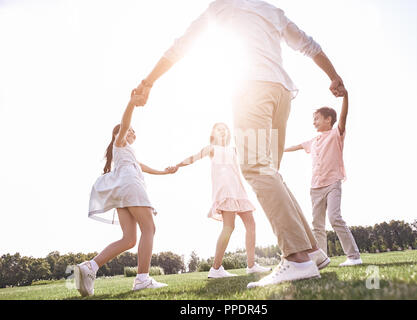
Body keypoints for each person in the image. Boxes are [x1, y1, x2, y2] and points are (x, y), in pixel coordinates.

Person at [135, 0, 346, 288]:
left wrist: (148, 81)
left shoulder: (221, 7)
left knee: (256, 168)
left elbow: (181, 46)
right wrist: (333, 76)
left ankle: (297, 259)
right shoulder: (270, 10)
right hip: (281, 93)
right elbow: (308, 45)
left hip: (252, 90)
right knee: (270, 171)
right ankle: (311, 250)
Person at [75, 89, 177, 297]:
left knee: (129, 239)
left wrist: (165, 172)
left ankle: (90, 267)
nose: (131, 132)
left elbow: (144, 167)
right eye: (127, 130)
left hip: (122, 193)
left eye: (132, 131)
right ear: (118, 134)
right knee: (149, 228)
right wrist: (131, 103)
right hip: (130, 187)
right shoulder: (119, 142)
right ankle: (142, 279)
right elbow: (124, 123)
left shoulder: (126, 154)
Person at [174, 122, 271, 278]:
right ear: (213, 133)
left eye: (225, 129)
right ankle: (216, 268)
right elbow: (193, 158)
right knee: (229, 227)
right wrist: (177, 165)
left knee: (251, 224)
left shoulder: (233, 149)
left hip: (239, 190)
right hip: (225, 191)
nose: (223, 131)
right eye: (219, 129)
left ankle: (251, 265)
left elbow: (251, 156)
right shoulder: (211, 148)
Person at [285, 92, 362, 267]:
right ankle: (321, 260)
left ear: (328, 119)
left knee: (335, 217)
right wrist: (278, 149)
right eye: (313, 119)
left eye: (317, 119)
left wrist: (346, 98)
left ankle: (354, 256)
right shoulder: (313, 140)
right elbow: (295, 146)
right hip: (315, 187)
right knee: (317, 225)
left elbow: (343, 116)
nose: (314, 122)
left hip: (333, 182)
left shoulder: (336, 133)